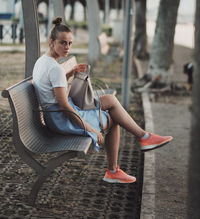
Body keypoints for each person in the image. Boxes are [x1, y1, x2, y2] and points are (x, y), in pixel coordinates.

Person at [33, 17, 173, 184]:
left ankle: (143, 139)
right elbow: (63, 105)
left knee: (109, 100)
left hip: (55, 116)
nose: (67, 47)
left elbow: (53, 88)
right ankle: (119, 164)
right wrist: (92, 129)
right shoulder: (54, 68)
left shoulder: (42, 61)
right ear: (51, 42)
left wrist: (70, 74)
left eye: (70, 43)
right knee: (114, 118)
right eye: (63, 43)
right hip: (62, 119)